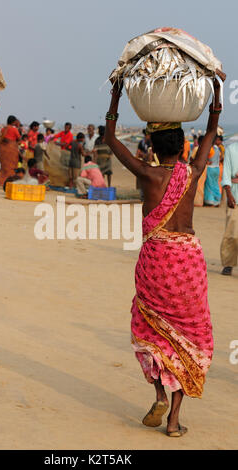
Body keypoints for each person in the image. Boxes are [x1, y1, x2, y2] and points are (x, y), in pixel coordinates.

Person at [105, 70, 225, 437]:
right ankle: (173, 420)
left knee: (151, 328)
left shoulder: (146, 173)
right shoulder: (192, 172)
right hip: (187, 263)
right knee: (188, 333)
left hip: (155, 261)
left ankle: (159, 392)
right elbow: (209, 133)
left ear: (153, 147)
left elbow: (111, 138)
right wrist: (216, 95)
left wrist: (117, 95)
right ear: (183, 147)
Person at [220, 142, 238, 276]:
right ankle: (228, 264)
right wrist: (229, 193)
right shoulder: (231, 149)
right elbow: (226, 172)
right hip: (235, 197)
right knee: (231, 233)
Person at [0, 115, 21, 186]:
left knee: (4, 166)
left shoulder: (3, 129)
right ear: (14, 122)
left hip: (3, 150)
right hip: (11, 150)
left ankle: (2, 182)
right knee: (11, 166)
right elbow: (19, 139)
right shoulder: (14, 129)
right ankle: (9, 181)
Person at [204, 139, 221, 206]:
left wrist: (206, 162)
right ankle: (217, 200)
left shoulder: (210, 149)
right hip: (217, 168)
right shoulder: (218, 149)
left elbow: (206, 158)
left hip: (210, 168)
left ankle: (210, 201)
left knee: (209, 185)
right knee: (215, 184)